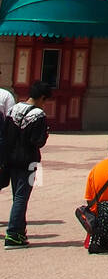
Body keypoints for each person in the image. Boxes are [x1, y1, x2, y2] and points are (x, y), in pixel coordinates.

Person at [4, 80, 53, 248]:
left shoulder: (13, 109)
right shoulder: (39, 115)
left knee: (17, 196)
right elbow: (37, 142)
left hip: (11, 159)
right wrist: (45, 135)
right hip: (30, 161)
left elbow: (5, 135)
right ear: (42, 97)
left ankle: (19, 231)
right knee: (22, 197)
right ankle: (13, 234)